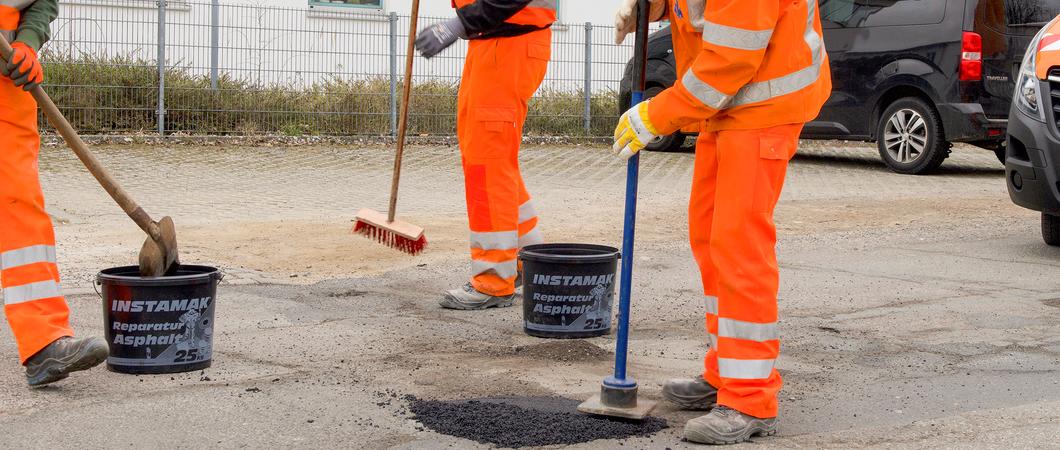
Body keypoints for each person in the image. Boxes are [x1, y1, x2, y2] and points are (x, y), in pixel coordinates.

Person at [614, 0, 831, 444]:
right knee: (710, 239)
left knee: (738, 248)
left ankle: (750, 398)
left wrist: (657, 114)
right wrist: (654, 7)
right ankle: (726, 372)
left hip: (761, 107)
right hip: (727, 109)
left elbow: (731, 57)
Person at [415, 0, 556, 310]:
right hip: (494, 43)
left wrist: (460, 23)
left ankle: (494, 279)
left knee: (488, 164)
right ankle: (525, 258)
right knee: (489, 158)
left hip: (508, 45)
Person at [1, 0, 108, 387]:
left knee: (21, 211)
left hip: (7, 81)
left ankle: (44, 341)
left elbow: (41, 1)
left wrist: (27, 43)